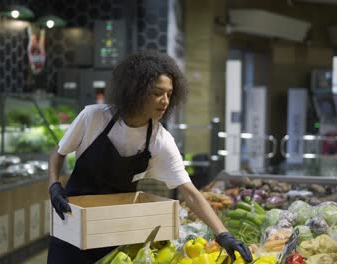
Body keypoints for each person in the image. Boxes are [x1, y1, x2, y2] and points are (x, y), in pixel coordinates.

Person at [47, 50, 253, 263]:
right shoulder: (93, 117)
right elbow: (58, 153)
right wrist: (54, 186)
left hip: (115, 232)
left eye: (169, 94)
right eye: (157, 92)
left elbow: (190, 193)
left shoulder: (159, 139)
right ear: (135, 90)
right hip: (72, 221)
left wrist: (223, 234)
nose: (165, 101)